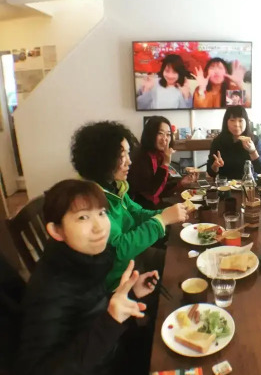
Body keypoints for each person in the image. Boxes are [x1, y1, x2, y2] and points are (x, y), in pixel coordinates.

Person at [18, 179, 159, 375]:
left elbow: (88, 314)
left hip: (113, 364)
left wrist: (130, 296)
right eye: (83, 217)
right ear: (56, 231)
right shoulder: (51, 290)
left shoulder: (83, 260)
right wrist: (110, 321)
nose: (99, 227)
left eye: (102, 213)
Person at [71, 121, 188, 290]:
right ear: (102, 159)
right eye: (122, 156)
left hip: (133, 259)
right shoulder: (89, 202)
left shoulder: (114, 186)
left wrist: (167, 213)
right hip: (115, 282)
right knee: (179, 276)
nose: (129, 162)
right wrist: (162, 220)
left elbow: (136, 212)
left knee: (182, 260)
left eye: (128, 154)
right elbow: (118, 250)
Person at [128, 116, 198, 209]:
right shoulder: (141, 158)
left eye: (168, 134)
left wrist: (181, 183)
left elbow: (162, 190)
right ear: (150, 135)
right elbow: (153, 192)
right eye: (160, 133)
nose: (165, 138)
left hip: (154, 204)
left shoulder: (158, 155)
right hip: (141, 209)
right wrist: (165, 163)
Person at [207, 106, 261, 179]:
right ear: (226, 122)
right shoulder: (218, 141)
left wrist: (253, 151)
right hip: (225, 184)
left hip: (248, 183)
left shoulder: (254, 140)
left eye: (240, 120)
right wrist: (215, 166)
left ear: (246, 122)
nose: (236, 124)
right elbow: (211, 173)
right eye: (232, 120)